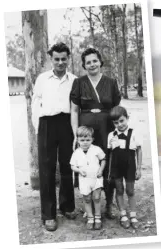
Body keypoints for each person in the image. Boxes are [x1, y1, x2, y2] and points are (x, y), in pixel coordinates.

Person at [70, 47, 121, 219]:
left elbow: (116, 110)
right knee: (87, 164)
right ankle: (89, 205)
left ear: (100, 62)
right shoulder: (79, 82)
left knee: (108, 164)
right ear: (84, 65)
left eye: (94, 61)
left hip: (106, 129)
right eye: (88, 62)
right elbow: (75, 111)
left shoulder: (111, 82)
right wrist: (76, 134)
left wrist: (117, 133)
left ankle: (108, 205)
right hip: (87, 132)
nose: (92, 64)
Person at [31, 42, 77, 231]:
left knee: (67, 166)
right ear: (51, 59)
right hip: (47, 124)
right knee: (47, 168)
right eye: (56, 59)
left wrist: (76, 130)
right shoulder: (42, 79)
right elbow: (35, 102)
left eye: (63, 59)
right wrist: (38, 127)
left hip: (67, 123)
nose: (60, 62)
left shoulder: (74, 79)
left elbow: (76, 107)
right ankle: (48, 214)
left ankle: (67, 206)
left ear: (68, 59)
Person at [107, 106, 142, 229]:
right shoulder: (111, 135)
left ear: (127, 118)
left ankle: (133, 215)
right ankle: (123, 215)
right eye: (116, 123)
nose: (119, 124)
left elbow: (138, 150)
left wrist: (139, 168)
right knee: (120, 190)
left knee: (130, 191)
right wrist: (110, 172)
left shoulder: (133, 133)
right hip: (116, 168)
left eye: (122, 121)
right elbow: (110, 154)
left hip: (130, 166)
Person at [70, 126, 106, 230]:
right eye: (82, 140)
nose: (85, 142)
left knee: (97, 197)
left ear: (92, 139)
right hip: (84, 180)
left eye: (88, 140)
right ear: (78, 140)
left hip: (96, 178)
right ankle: (90, 217)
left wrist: (101, 170)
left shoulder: (96, 149)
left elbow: (103, 159)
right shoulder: (76, 153)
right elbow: (72, 166)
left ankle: (98, 217)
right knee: (87, 198)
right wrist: (79, 170)